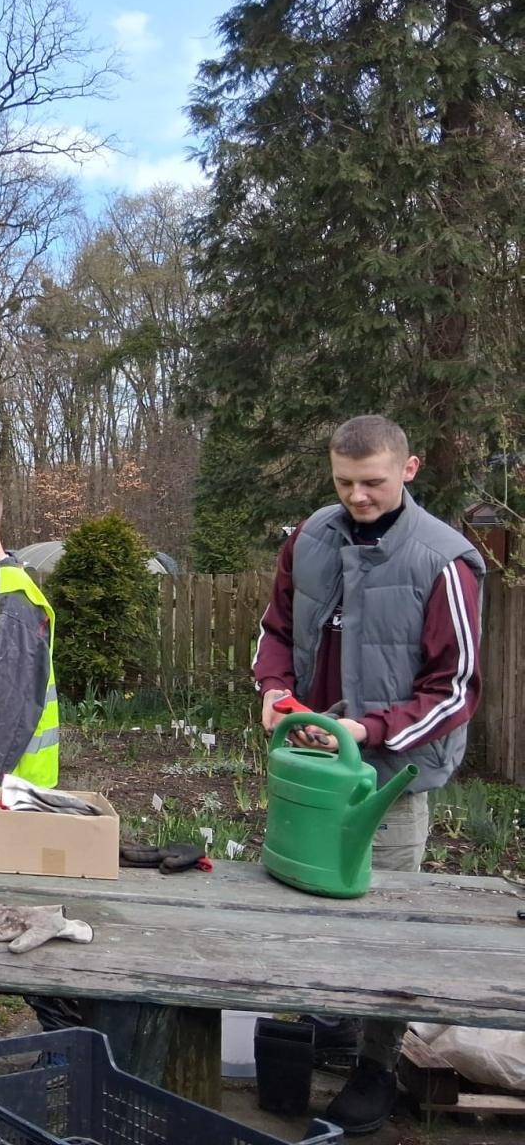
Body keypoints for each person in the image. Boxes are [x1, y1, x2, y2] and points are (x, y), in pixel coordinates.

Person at [254, 414, 482, 1136]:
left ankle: (377, 1065)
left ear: (408, 469)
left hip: (388, 780)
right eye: (344, 482)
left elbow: (454, 689)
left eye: (373, 482)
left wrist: (369, 731)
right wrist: (274, 689)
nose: (357, 496)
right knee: (301, 902)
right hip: (312, 766)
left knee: (386, 929)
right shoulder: (309, 539)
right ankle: (330, 1027)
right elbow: (276, 629)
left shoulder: (444, 559)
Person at [0, 476, 78, 1034]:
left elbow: (4, 716)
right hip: (11, 789)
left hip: (6, 794)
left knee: (16, 920)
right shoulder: (2, 588)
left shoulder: (7, 598)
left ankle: (66, 1040)